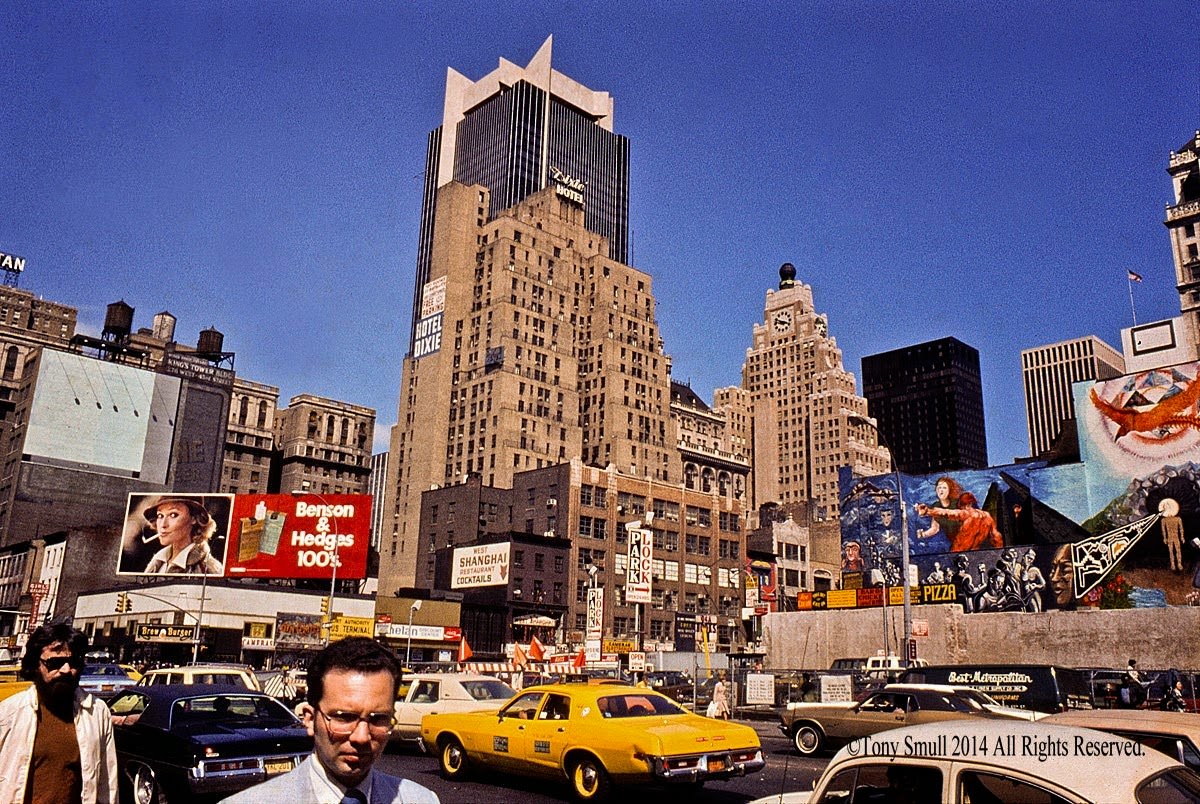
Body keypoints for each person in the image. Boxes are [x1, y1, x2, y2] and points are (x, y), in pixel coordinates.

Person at [225, 637, 438, 803]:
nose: (362, 737)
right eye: (344, 717)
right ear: (309, 719)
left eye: (378, 719)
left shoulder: (420, 799)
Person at [0, 619, 118, 804]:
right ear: (35, 664)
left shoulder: (96, 712)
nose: (66, 670)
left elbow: (107, 784)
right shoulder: (9, 713)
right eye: (55, 662)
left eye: (74, 662)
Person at [142, 496, 224, 574]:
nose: (163, 525)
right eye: (160, 515)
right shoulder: (157, 562)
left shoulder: (210, 570)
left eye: (173, 515)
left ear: (194, 518)